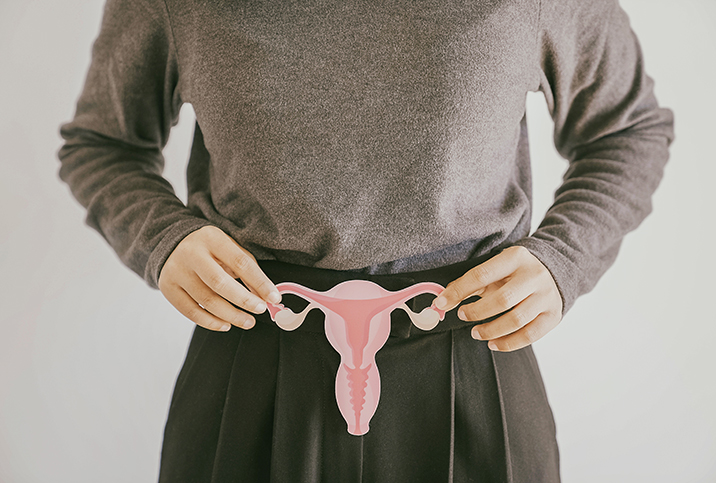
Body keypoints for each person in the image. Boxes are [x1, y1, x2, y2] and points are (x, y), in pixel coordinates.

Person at [58, 0, 674, 481]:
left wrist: (564, 256)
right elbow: (102, 143)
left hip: (472, 370)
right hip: (251, 370)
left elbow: (629, 131)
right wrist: (161, 238)